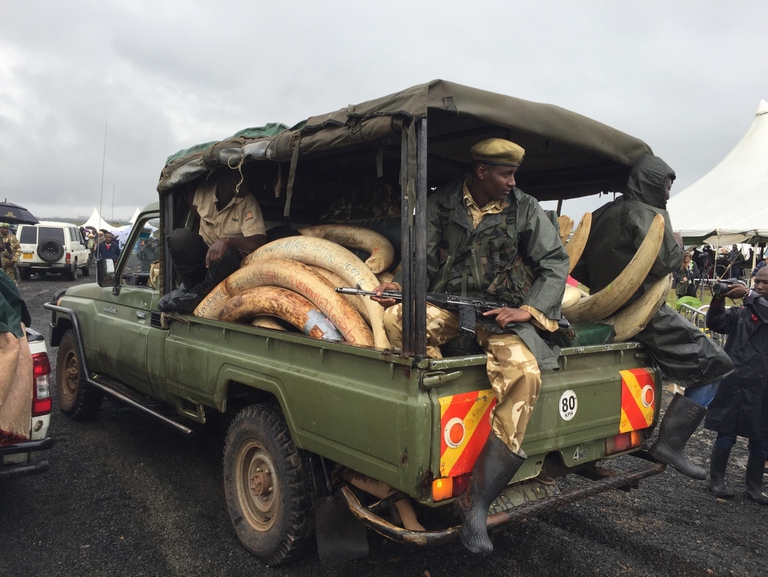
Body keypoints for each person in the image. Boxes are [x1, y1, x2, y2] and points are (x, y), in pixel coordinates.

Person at [373, 138, 569, 554]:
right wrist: (401, 287)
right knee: (397, 321)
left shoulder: (525, 208)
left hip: (498, 313)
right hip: (448, 306)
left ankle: (476, 501)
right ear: (481, 172)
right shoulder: (442, 204)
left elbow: (555, 262)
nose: (512, 182)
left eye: (514, 174)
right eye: (505, 174)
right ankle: (437, 404)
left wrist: (528, 309)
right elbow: (421, 257)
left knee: (525, 374)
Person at [571, 154, 732, 480]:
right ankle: (670, 444)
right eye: (666, 186)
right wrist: (676, 243)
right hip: (644, 311)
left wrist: (606, 287)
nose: (669, 194)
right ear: (652, 184)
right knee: (716, 364)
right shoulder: (648, 213)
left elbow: (580, 267)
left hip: (604, 308)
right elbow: (666, 262)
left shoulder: (602, 213)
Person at [158, 167, 268, 313]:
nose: (246, 181)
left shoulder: (247, 201)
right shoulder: (205, 192)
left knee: (230, 254)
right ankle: (188, 286)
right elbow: (196, 210)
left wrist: (227, 241)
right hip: (204, 263)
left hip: (227, 269)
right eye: (241, 176)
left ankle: (198, 295)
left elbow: (259, 241)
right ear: (223, 177)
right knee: (178, 237)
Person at [704, 267, 768, 504]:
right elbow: (716, 322)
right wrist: (718, 299)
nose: (759, 286)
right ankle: (716, 480)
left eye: (765, 283)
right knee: (726, 433)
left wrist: (749, 294)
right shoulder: (742, 311)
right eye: (757, 281)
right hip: (736, 381)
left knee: (761, 439)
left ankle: (754, 487)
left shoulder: (756, 305)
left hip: (763, 386)